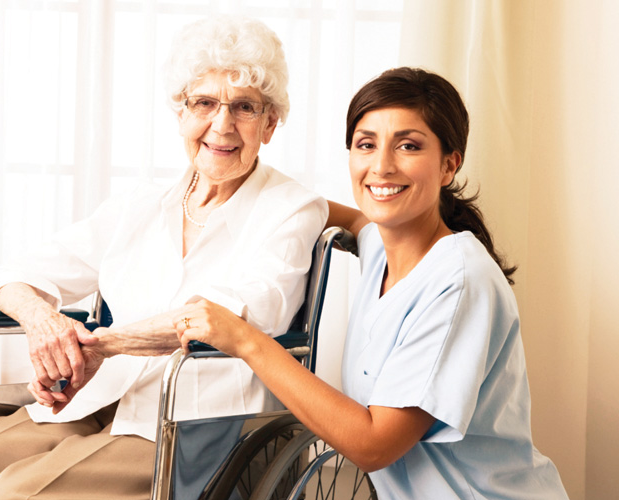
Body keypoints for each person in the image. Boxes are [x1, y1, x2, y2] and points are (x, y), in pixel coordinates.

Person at [0, 16, 328, 500]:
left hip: (190, 418)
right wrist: (46, 326)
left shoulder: (291, 209)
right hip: (98, 395)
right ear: (180, 113)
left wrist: (100, 346)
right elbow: (17, 276)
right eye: (205, 103)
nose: (222, 125)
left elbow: (226, 317)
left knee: (17, 494)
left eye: (245, 107)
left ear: (270, 124)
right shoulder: (141, 205)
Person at [176, 67, 569, 499]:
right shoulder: (382, 245)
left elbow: (374, 444)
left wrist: (246, 340)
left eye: (408, 146)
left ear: (448, 165)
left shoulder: (459, 282)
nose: (381, 166)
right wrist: (232, 184)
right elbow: (337, 213)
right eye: (366, 145)